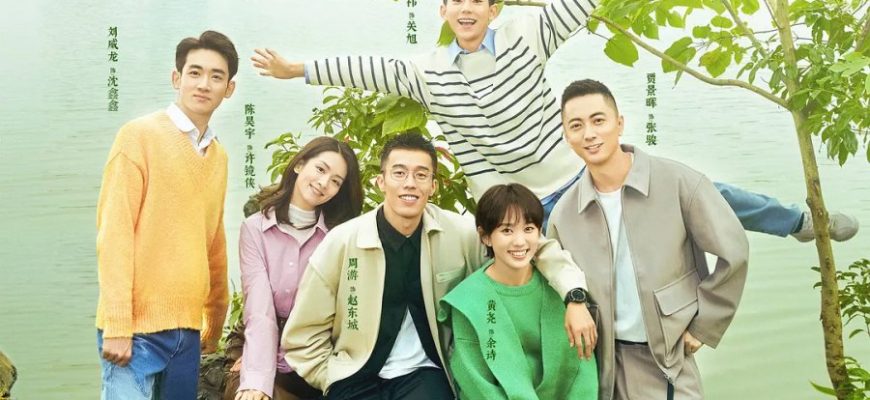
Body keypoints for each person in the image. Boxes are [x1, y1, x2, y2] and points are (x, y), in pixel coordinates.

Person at [251, 0, 858, 241]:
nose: (466, 8)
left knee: (694, 190)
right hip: (513, 203)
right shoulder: (425, 71)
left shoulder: (527, 31)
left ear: (493, 8)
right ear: (443, 11)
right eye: (455, 0)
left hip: (580, 173)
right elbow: (363, 68)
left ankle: (798, 221)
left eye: (477, 0)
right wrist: (294, 69)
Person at [281, 132, 595, 400]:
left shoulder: (460, 233)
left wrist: (574, 296)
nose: (410, 183)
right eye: (399, 173)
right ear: (381, 181)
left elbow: (532, 246)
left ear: (433, 185)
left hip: (427, 373)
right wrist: (330, 377)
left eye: (421, 175)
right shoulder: (342, 241)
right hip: (355, 374)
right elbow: (302, 334)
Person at [549, 79, 750, 399]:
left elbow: (733, 251)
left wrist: (705, 324)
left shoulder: (679, 182)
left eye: (598, 120)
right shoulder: (564, 214)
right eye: (576, 125)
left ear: (619, 123)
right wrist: (573, 302)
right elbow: (555, 273)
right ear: (566, 136)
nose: (589, 134)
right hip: (601, 366)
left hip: (668, 361)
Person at [95, 30, 238, 399]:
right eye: (195, 72)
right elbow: (115, 233)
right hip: (135, 330)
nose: (203, 84)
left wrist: (214, 322)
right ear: (177, 78)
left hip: (186, 333)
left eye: (216, 76)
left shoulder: (218, 156)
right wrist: (117, 324)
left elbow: (213, 242)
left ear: (229, 89)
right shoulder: (138, 136)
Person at [229, 137, 364, 400]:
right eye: (320, 169)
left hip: (321, 354)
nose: (324, 183)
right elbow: (260, 309)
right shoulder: (254, 229)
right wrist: (256, 377)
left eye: (336, 181)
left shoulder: (340, 236)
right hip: (269, 350)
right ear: (300, 164)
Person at [439, 183, 598, 399]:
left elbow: (582, 372)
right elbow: (475, 382)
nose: (520, 241)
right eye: (506, 230)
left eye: (529, 229)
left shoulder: (560, 289)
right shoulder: (469, 301)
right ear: (485, 236)